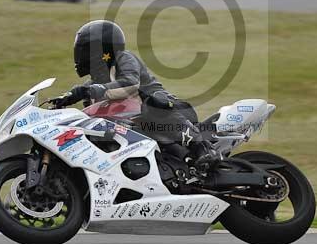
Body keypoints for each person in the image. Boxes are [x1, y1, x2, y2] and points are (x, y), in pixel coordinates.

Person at [49, 20, 220, 171]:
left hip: (165, 110)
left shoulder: (123, 58)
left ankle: (201, 147)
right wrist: (67, 98)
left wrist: (89, 90)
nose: (81, 56)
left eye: (85, 50)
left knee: (154, 102)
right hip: (139, 129)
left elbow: (131, 83)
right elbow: (87, 92)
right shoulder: (96, 82)